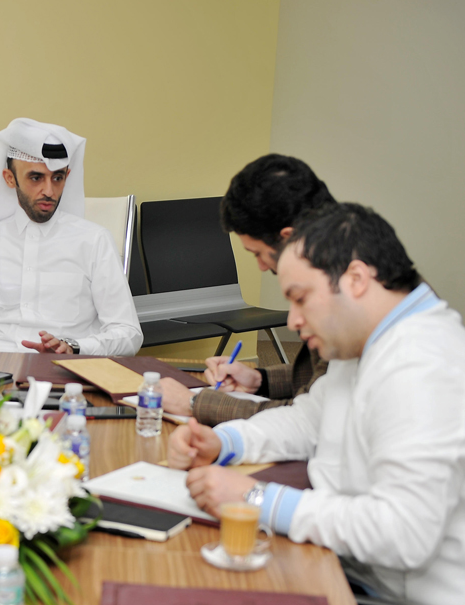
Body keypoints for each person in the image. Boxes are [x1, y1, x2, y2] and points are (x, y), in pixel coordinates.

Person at [168, 203, 465, 604]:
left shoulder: (422, 364)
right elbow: (309, 421)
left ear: (356, 279)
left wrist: (256, 499)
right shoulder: (367, 343)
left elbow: (403, 533)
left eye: (301, 298)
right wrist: (225, 442)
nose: (292, 320)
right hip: (349, 567)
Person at [0, 118, 142, 355]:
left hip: (63, 374)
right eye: (36, 178)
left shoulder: (94, 241)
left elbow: (128, 332)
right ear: (9, 178)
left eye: (57, 178)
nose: (49, 190)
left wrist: (75, 346)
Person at [159, 154, 334, 425]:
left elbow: (313, 421)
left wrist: (195, 403)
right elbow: (322, 382)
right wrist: (259, 380)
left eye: (259, 253)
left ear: (287, 237)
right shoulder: (337, 269)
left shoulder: (340, 296)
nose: (262, 266)